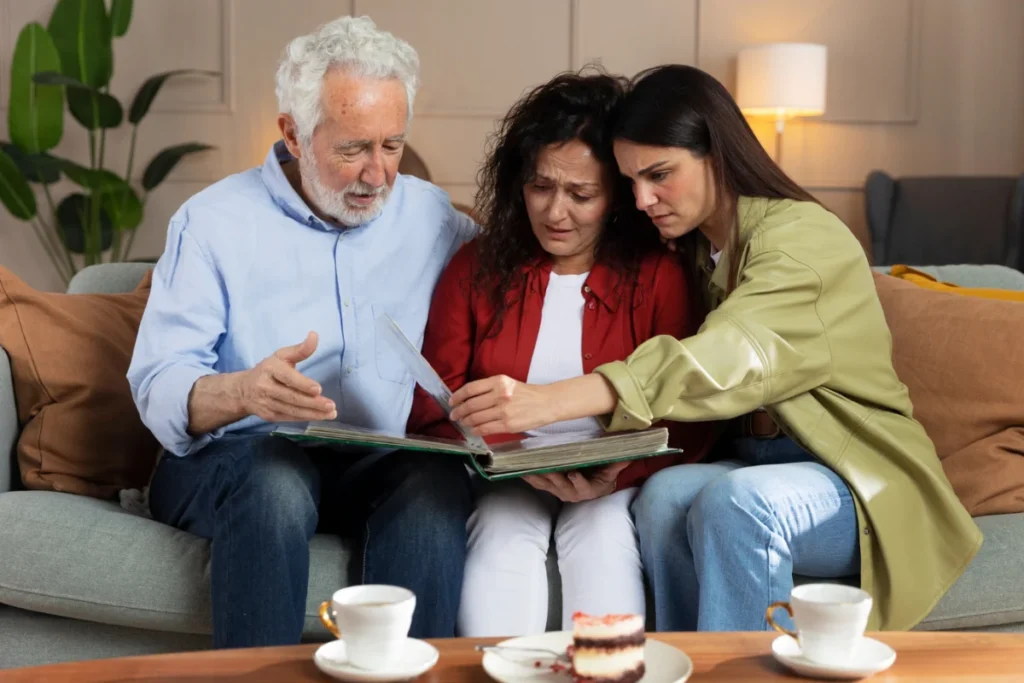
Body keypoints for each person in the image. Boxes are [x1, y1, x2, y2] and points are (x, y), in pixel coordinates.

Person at [447, 64, 982, 632]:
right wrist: (620, 463)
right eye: (631, 182)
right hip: (751, 461)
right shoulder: (701, 251)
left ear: (717, 154)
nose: (644, 198)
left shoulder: (803, 241)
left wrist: (553, 400)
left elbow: (725, 357)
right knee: (663, 498)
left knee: (736, 505)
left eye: (660, 174)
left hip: (848, 473)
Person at [127, 16, 477, 648]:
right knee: (276, 480)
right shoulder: (211, 224)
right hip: (232, 462)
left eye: (392, 145)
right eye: (352, 150)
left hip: (373, 461)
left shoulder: (431, 216)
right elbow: (158, 383)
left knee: (436, 482)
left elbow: (522, 281)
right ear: (292, 133)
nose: (378, 174)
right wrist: (241, 393)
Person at [407, 70, 715, 636]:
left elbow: (689, 414)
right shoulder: (475, 268)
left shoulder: (659, 274)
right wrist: (501, 460)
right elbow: (432, 406)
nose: (555, 212)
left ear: (618, 197)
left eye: (582, 194)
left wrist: (620, 473)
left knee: (599, 537)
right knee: (501, 535)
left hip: (613, 479)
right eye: (540, 186)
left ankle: (605, 676)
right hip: (504, 479)